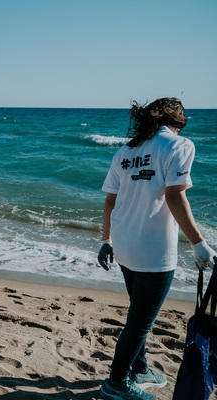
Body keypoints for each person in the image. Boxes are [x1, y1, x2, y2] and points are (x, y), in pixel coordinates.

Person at [97, 97, 217, 400]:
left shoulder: (126, 151)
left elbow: (110, 201)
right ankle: (116, 383)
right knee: (139, 322)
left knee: (138, 313)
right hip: (154, 251)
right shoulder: (179, 145)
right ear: (178, 121)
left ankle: (141, 369)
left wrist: (106, 240)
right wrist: (199, 244)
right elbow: (175, 196)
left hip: (124, 244)